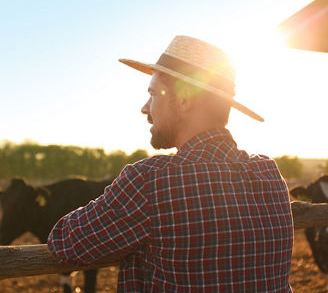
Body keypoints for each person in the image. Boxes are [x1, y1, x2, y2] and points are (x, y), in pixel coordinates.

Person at [48, 35, 294, 292]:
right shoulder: (268, 174)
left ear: (185, 100)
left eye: (153, 93)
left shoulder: (151, 180)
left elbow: (66, 243)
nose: (145, 108)